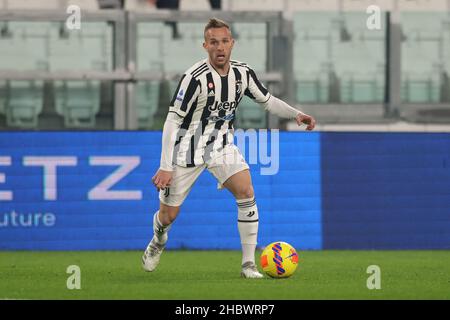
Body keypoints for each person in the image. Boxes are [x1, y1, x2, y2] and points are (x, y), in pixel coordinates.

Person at [142, 18, 316, 278]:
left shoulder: (242, 74)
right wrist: (166, 166)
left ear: (232, 43)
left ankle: (248, 265)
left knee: (246, 190)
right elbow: (172, 120)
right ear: (205, 45)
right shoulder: (194, 78)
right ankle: (158, 239)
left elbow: (267, 101)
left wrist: (295, 114)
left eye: (224, 41)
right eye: (214, 42)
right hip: (185, 152)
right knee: (168, 216)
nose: (219, 47)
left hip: (220, 146)